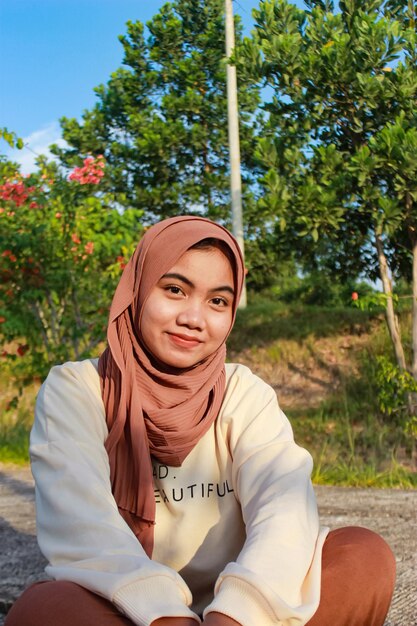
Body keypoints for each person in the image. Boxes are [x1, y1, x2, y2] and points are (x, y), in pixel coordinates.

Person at [6, 216, 395, 626]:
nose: (194, 318)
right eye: (174, 290)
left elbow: (284, 509)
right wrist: (166, 618)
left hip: (244, 617)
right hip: (128, 612)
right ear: (137, 290)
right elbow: (84, 529)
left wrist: (238, 615)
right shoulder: (79, 388)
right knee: (44, 610)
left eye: (217, 301)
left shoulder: (244, 394)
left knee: (363, 555)